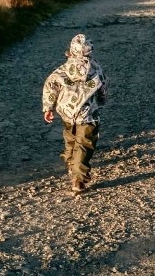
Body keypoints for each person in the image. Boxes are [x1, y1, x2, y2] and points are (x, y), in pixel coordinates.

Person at [42, 34, 108, 195]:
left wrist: (48, 107)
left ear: (70, 51)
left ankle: (71, 164)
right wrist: (102, 100)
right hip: (88, 113)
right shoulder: (96, 69)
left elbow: (51, 86)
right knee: (84, 144)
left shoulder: (63, 70)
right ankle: (78, 178)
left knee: (70, 140)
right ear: (89, 51)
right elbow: (103, 87)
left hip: (67, 113)